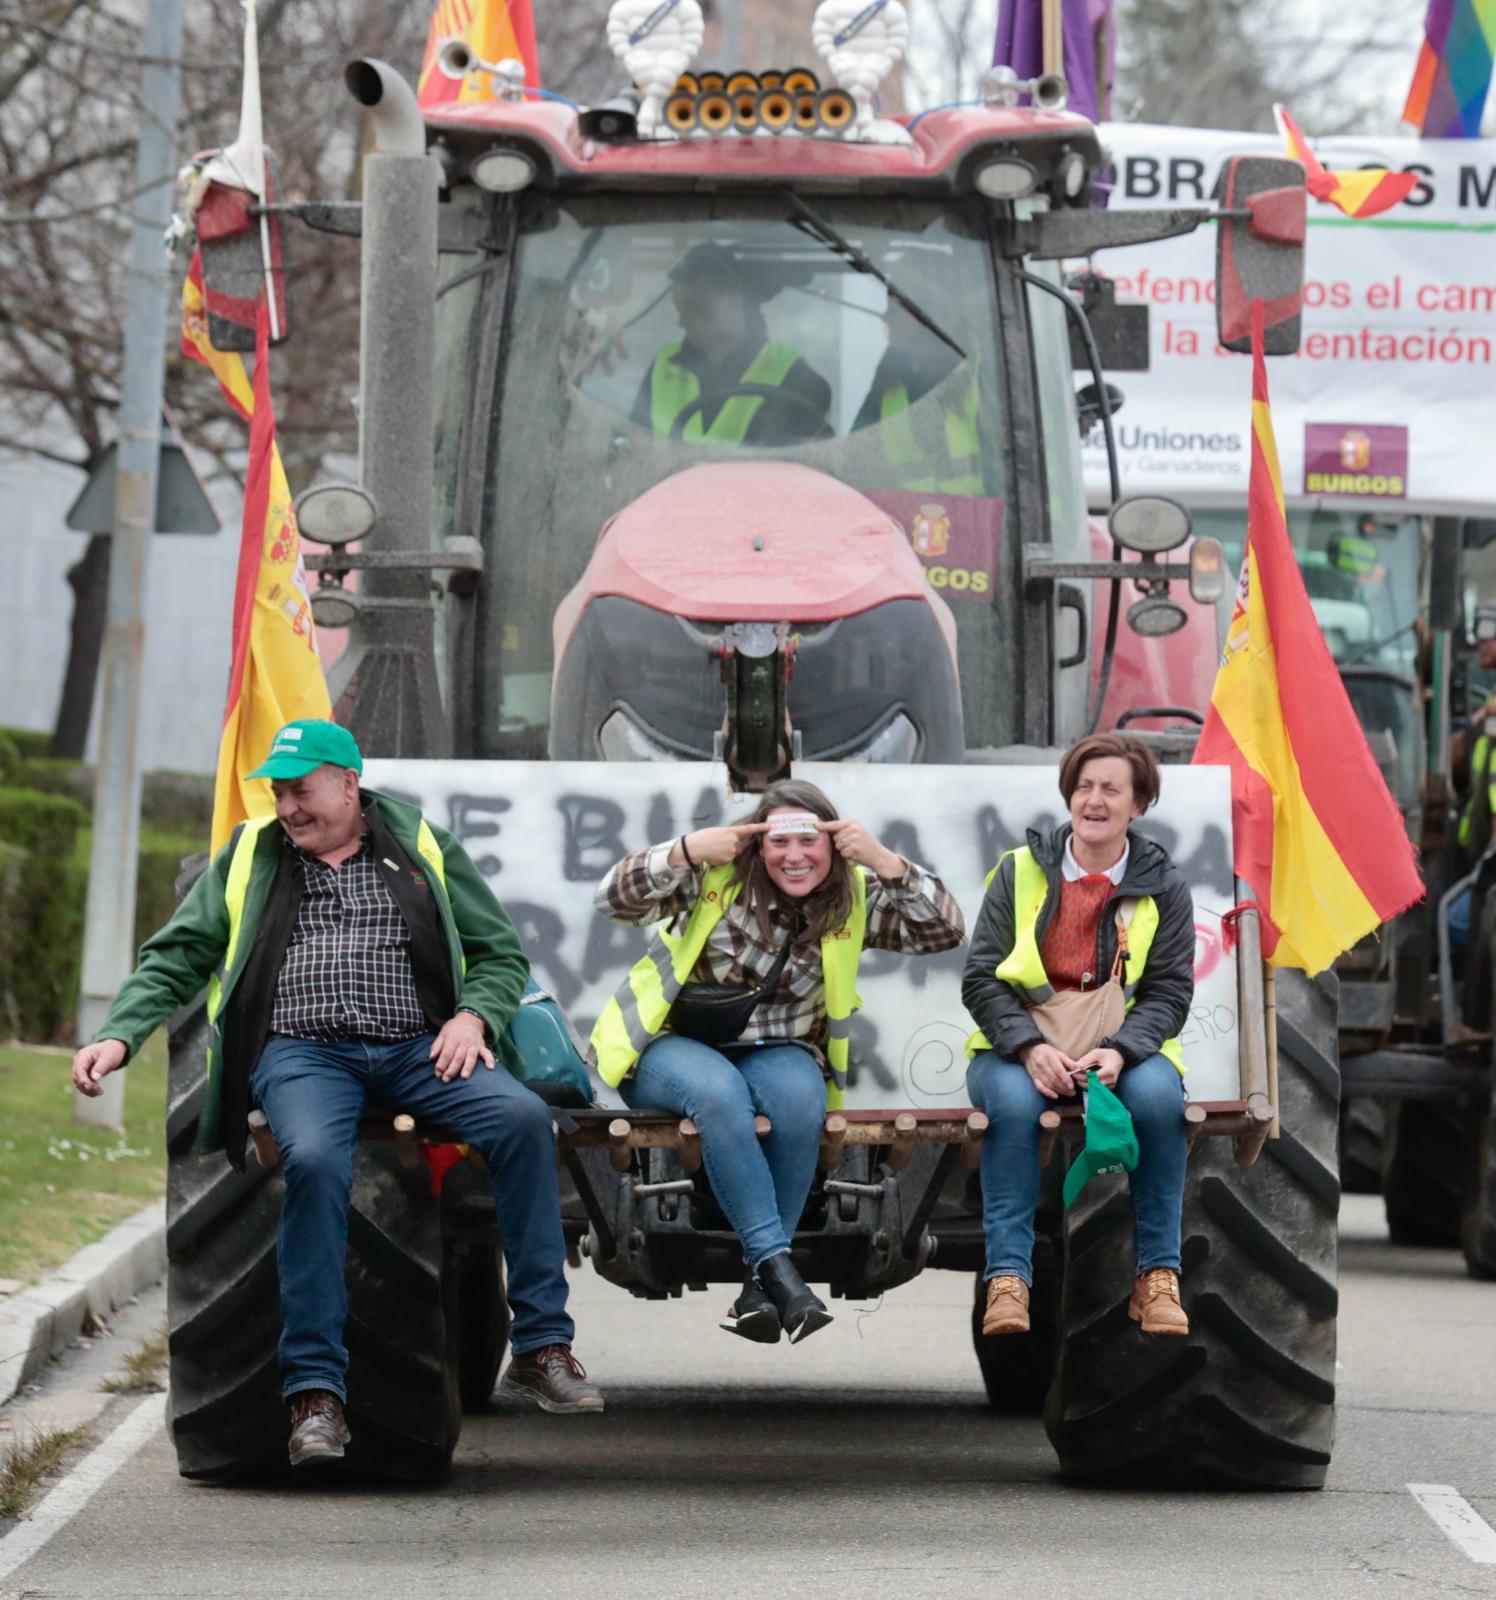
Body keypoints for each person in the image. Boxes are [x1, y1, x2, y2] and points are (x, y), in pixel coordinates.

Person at [71, 719, 603, 1468]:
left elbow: (497, 951)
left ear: (349, 784)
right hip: (303, 1054)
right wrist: (119, 1034)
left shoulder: (422, 844)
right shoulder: (253, 853)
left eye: (302, 791)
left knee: (521, 1119)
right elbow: (180, 953)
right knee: (316, 1161)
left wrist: (472, 1017)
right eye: (280, 794)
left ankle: (544, 1346)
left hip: (419, 1047)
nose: (289, 808)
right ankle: (315, 1392)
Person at [591, 778, 964, 1343]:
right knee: (720, 1097)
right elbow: (611, 902)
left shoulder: (852, 896)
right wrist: (686, 850)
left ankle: (758, 1290)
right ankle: (778, 1270)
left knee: (800, 1100)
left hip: (778, 1049)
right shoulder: (712, 877)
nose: (794, 857)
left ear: (834, 847)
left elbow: (944, 930)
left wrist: (886, 861)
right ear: (757, 847)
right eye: (780, 844)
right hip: (667, 1047)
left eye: (809, 842)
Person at [962, 733, 1195, 1339]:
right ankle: (1007, 1281)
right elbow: (981, 978)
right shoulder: (1017, 873)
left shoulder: (1165, 885)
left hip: (1121, 1048)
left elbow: (1170, 991)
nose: (1094, 800)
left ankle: (1157, 1278)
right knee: (1012, 1104)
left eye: (1111, 789)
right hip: (1016, 1048)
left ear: (1138, 804)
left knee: (1160, 1102)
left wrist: (1119, 1053)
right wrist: (1027, 1048)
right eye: (1084, 786)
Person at [631, 240, 832, 447]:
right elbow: (632, 449)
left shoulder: (798, 378)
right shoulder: (663, 365)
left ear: (733, 295)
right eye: (680, 310)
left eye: (695, 307)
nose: (682, 322)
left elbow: (807, 467)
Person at [853, 254, 983, 496]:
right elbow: (852, 463)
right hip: (898, 530)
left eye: (893, 305)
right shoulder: (891, 379)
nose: (884, 316)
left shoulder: (988, 375)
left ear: (928, 311)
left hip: (985, 530)